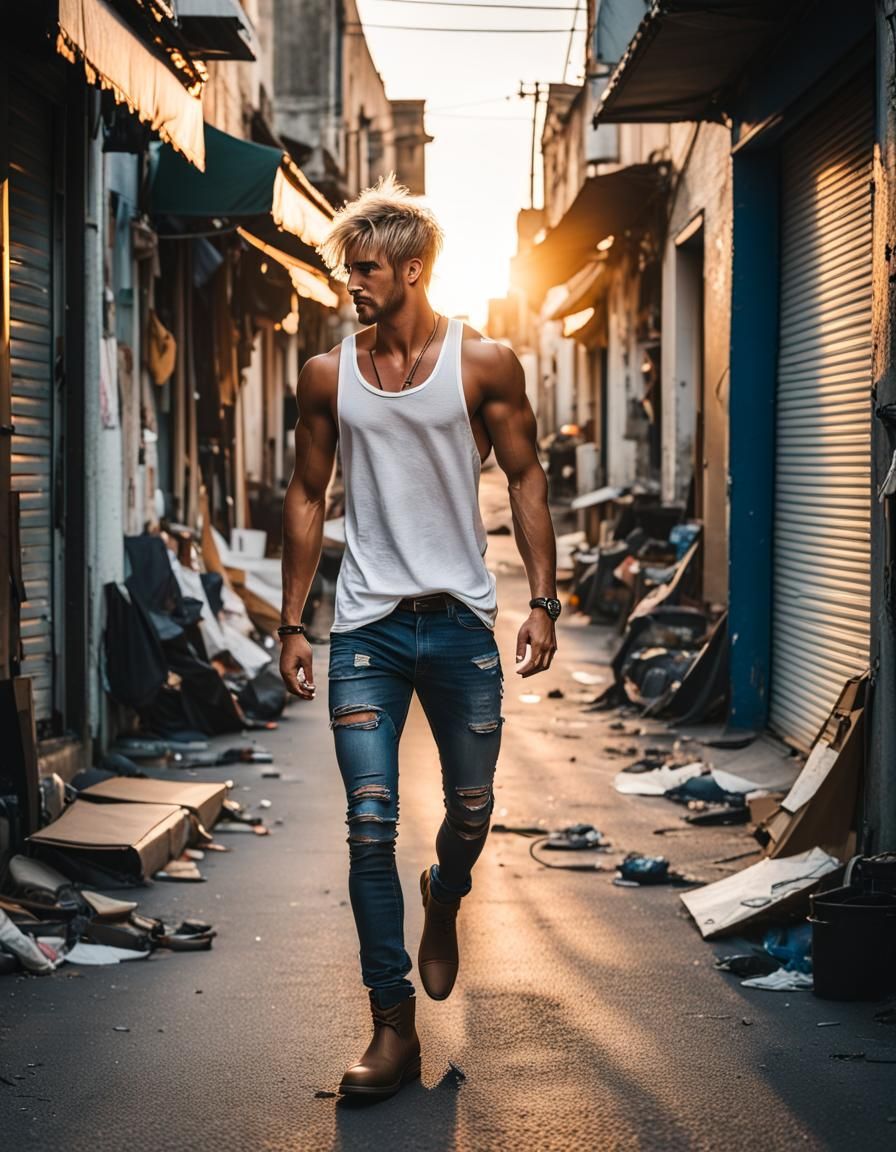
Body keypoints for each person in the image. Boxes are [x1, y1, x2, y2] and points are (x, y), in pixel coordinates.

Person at [279, 175, 560, 1099]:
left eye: (364, 268)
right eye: (347, 269)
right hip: (366, 629)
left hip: (459, 622)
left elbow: (525, 477)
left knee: (471, 810)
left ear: (411, 269)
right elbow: (307, 494)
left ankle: (446, 892)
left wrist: (544, 600)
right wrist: (291, 622)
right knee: (369, 825)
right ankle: (391, 1027)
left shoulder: (483, 364)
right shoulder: (327, 375)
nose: (351, 283)